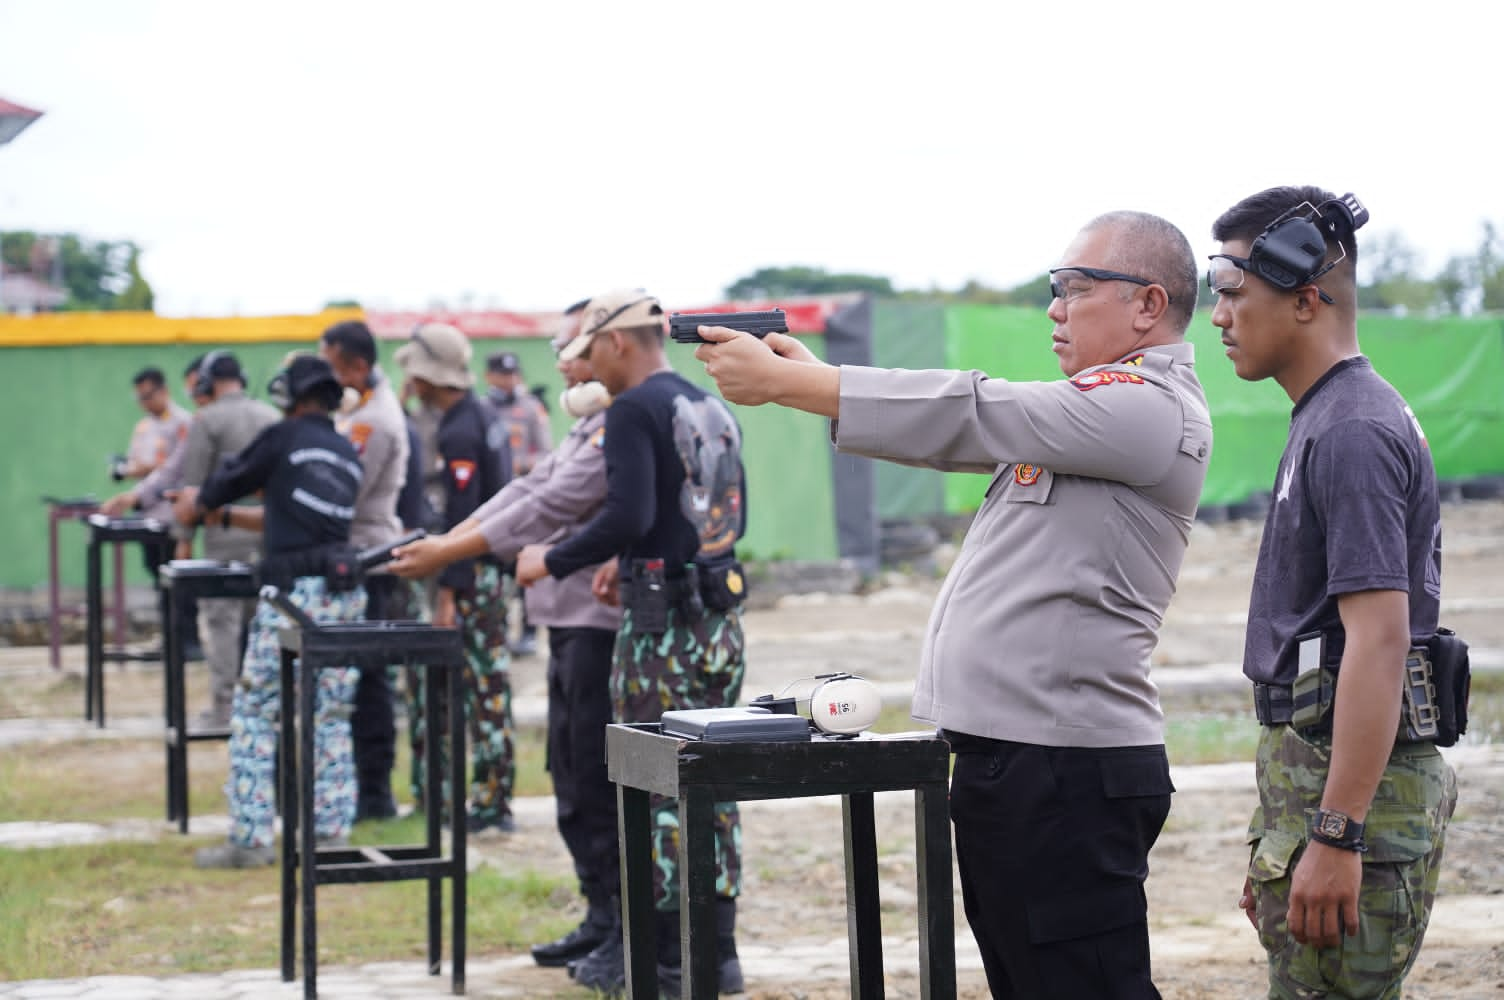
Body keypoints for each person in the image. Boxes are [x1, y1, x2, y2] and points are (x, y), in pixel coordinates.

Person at [694, 212, 1210, 999]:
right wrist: (820, 385)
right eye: (1054, 289)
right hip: (1022, 758)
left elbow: (977, 412)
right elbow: (968, 430)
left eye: (1074, 288)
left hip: (1066, 769)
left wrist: (804, 387)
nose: (1055, 308)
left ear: (1147, 304)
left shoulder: (1145, 406)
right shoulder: (1092, 415)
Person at [1209, 185, 1457, 997]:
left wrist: (1336, 835)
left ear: (1306, 299)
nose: (1219, 317)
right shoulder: (1327, 414)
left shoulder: (1351, 429)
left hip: (1354, 804)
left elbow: (1381, 642)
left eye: (1233, 293)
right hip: (1319, 790)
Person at [515, 289, 751, 996]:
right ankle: (719, 954)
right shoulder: (706, 403)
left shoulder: (630, 410)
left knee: (655, 791)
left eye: (588, 355)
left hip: (660, 634)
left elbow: (628, 511)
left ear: (618, 343)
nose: (585, 373)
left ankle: (668, 963)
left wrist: (549, 560)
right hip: (718, 619)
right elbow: (715, 511)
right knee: (716, 786)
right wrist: (641, 555)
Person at [389, 300, 625, 973]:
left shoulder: (613, 424)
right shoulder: (565, 424)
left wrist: (446, 563)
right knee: (572, 776)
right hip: (550, 604)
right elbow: (528, 492)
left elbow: (538, 505)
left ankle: (621, 928)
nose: (561, 360)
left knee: (518, 719)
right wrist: (445, 548)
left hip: (566, 608)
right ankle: (602, 917)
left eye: (570, 346)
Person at [183, 355, 367, 868]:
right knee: (329, 714)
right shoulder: (345, 449)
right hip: (344, 589)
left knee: (256, 712)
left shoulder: (283, 437)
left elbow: (222, 485)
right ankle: (330, 833)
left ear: (293, 397)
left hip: (293, 594)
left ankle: (250, 838)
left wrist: (198, 505)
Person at [394, 322, 517, 835]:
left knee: (480, 689)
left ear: (428, 373)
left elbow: (466, 518)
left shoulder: (461, 430)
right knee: (459, 688)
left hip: (469, 578)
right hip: (472, 574)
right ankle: (442, 796)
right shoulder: (475, 416)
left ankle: (489, 804)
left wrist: (448, 595)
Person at [319, 319, 410, 823]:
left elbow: (342, 493)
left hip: (369, 558)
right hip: (362, 555)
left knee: (368, 680)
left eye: (331, 366)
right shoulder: (364, 410)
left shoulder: (371, 421)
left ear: (355, 366)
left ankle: (375, 792)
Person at [173, 351, 280, 727]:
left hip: (222, 533)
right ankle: (262, 706)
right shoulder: (270, 416)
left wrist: (183, 538)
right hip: (267, 535)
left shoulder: (207, 420)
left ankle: (224, 707)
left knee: (221, 624)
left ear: (207, 383)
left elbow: (193, 488)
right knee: (262, 622)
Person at [481, 349, 554, 658]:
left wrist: (522, 463)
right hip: (491, 501)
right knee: (494, 570)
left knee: (526, 568)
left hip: (525, 501)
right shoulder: (482, 408)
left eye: (513, 374)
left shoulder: (531, 408)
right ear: (490, 376)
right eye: (502, 374)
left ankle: (527, 632)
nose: (509, 380)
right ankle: (495, 629)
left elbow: (547, 452)